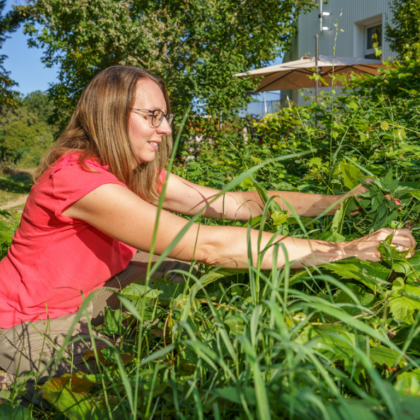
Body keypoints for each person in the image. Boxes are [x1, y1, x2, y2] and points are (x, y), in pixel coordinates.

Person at [0, 66, 415, 386]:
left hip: (91, 293)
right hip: (25, 323)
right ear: (110, 115)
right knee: (125, 370)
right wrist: (343, 251)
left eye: (166, 116)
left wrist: (339, 203)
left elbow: (235, 203)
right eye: (152, 116)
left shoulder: (130, 171)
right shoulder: (79, 179)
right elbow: (207, 244)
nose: (166, 129)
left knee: (184, 276)